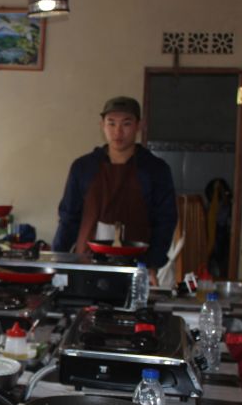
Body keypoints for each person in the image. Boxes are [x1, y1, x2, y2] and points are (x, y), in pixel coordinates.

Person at [52, 96, 177, 277]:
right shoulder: (83, 167)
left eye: (126, 124)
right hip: (86, 264)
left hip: (136, 267)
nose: (118, 131)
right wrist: (57, 260)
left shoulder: (156, 169)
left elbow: (165, 222)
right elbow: (68, 218)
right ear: (102, 125)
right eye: (111, 123)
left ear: (139, 126)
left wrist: (152, 265)